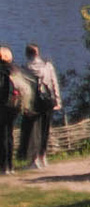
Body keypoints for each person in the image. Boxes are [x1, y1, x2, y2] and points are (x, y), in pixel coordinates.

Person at [18, 43, 58, 170]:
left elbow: (22, 88)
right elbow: (54, 83)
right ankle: (43, 156)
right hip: (47, 101)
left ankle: (34, 160)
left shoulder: (25, 68)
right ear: (37, 53)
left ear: (27, 54)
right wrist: (57, 101)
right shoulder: (48, 66)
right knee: (44, 129)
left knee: (32, 131)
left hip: (33, 103)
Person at [0, 47, 20, 178]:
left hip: (2, 106)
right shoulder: (15, 70)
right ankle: (10, 165)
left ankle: (3, 166)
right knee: (10, 136)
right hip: (14, 106)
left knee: (2, 136)